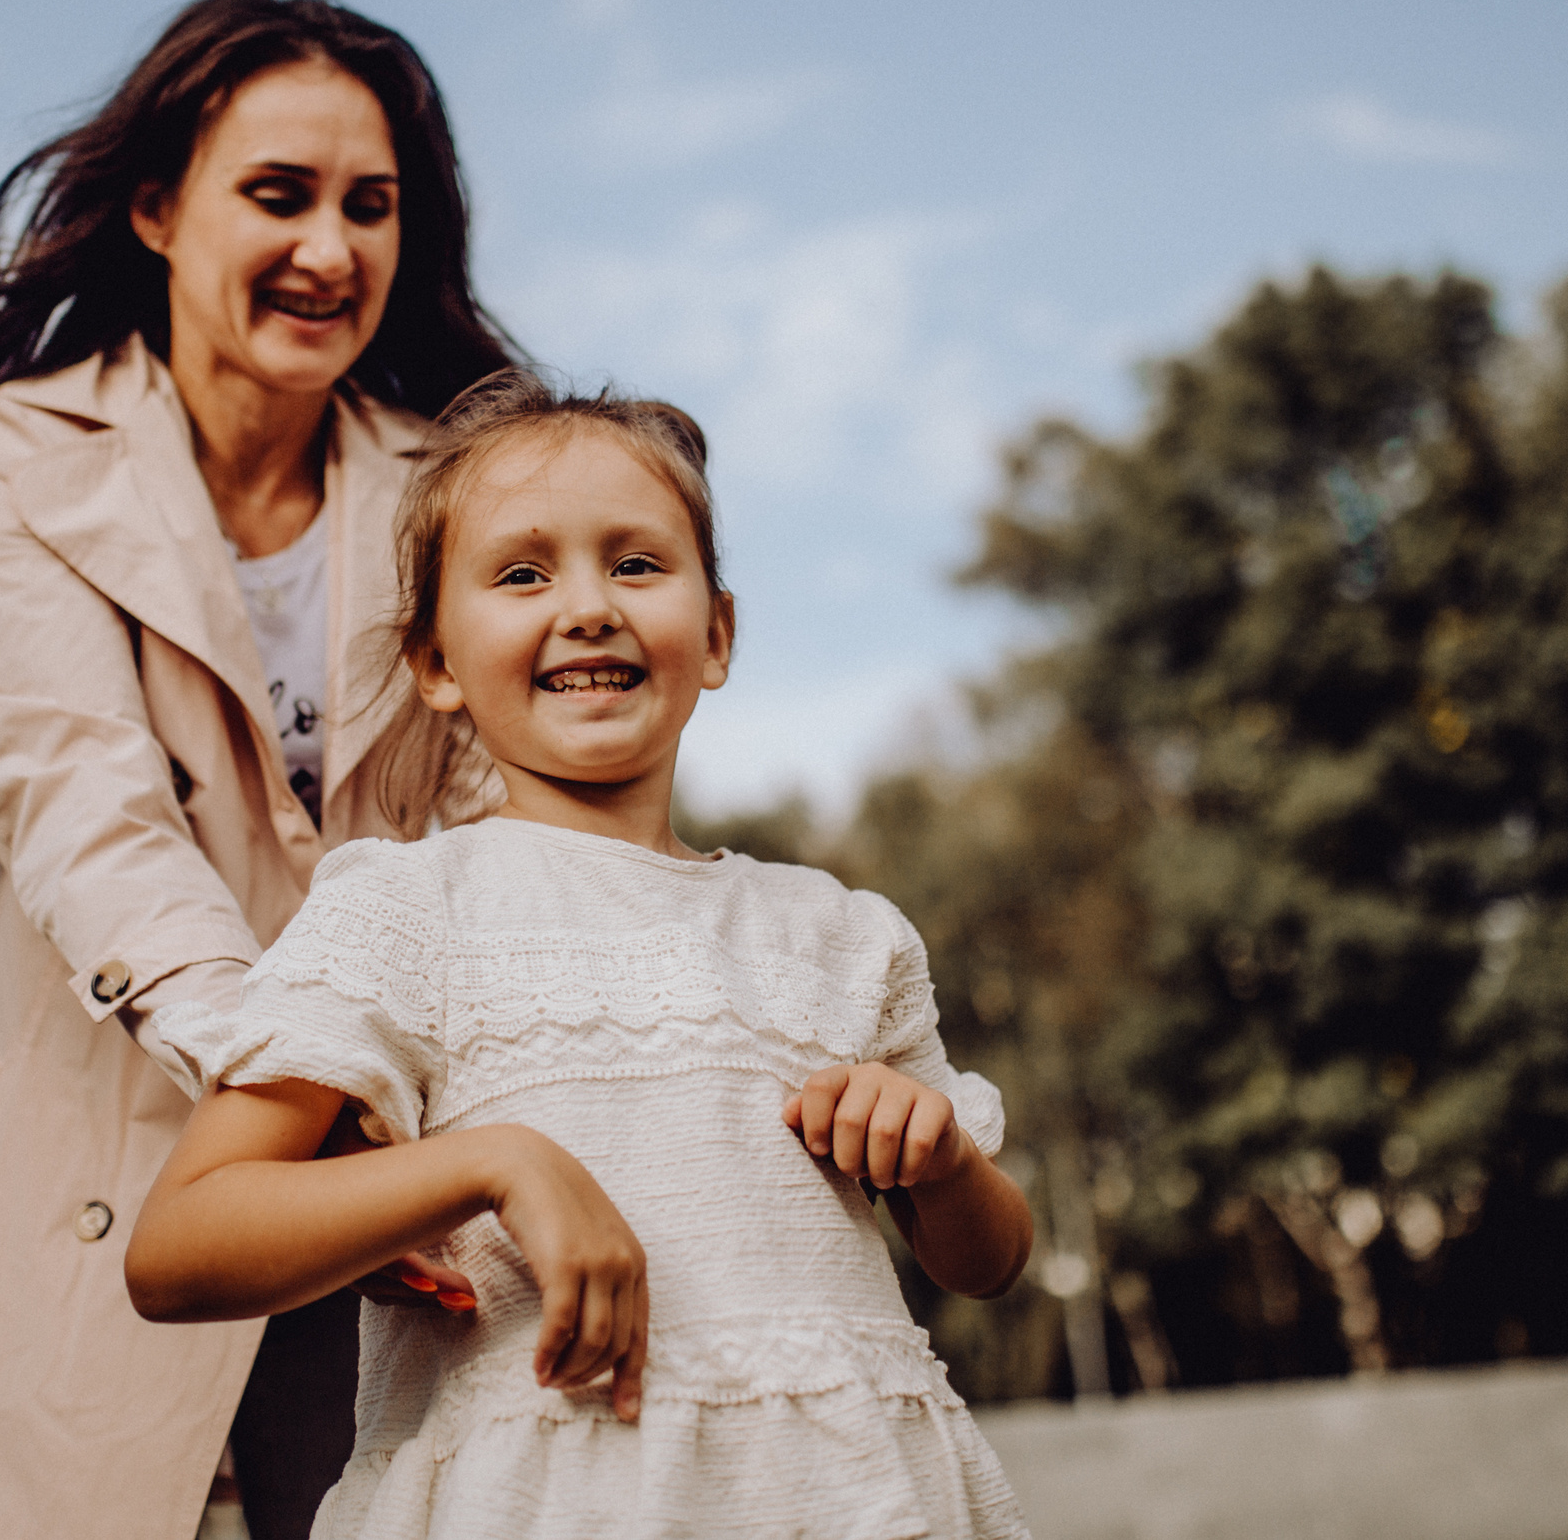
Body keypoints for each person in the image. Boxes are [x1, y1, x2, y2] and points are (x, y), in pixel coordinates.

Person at [0, 0, 514, 1540]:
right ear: (156, 210)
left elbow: (504, 825)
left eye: (371, 206)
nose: (330, 249)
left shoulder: (456, 483)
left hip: (404, 1154)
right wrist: (313, 1096)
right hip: (111, 1128)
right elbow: (84, 814)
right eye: (280, 193)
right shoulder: (21, 457)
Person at [126, 373, 1038, 1540]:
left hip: (855, 1503)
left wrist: (939, 1154)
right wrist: (492, 1163)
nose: (590, 606)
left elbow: (988, 1259)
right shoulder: (401, 912)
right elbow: (181, 1245)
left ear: (716, 633)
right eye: (521, 573)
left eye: (637, 563)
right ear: (435, 660)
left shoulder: (841, 933)